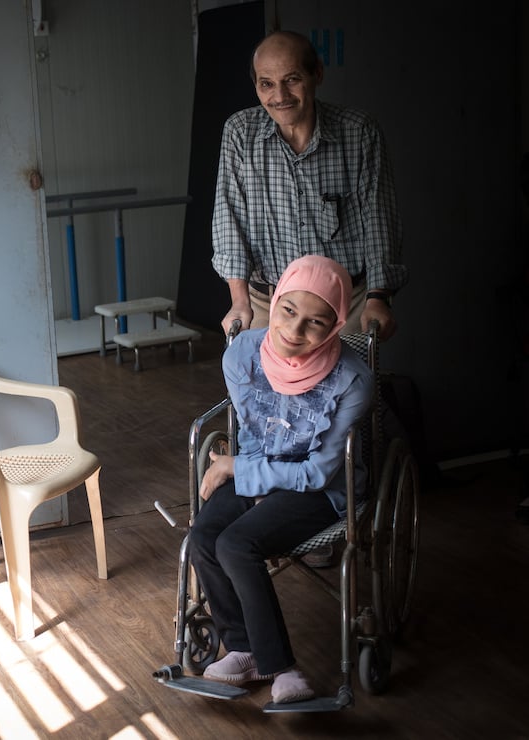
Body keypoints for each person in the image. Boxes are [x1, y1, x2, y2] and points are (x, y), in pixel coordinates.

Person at [189, 254, 375, 704]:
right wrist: (254, 479)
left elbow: (316, 472)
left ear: (335, 326)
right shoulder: (242, 356)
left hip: (323, 489)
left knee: (236, 543)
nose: (294, 332)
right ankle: (243, 648)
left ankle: (280, 668)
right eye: (289, 311)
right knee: (203, 537)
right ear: (274, 302)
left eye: (315, 323)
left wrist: (240, 471)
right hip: (260, 463)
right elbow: (253, 433)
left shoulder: (353, 380)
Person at [211, 29, 407, 342]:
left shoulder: (358, 131)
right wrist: (239, 302)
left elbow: (379, 220)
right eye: (267, 84)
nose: (280, 96)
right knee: (268, 391)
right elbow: (229, 218)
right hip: (269, 303)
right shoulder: (240, 133)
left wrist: (377, 299)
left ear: (317, 74)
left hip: (345, 304)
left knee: (348, 390)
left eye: (292, 79)